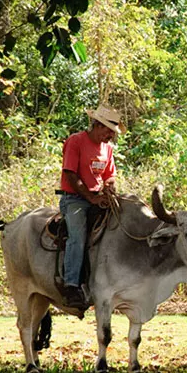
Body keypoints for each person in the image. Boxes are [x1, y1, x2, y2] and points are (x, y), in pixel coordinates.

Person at [58, 104, 124, 307]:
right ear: (96, 125)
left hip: (98, 197)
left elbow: (109, 174)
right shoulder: (76, 141)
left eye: (113, 132)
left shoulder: (108, 149)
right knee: (77, 236)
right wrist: (91, 198)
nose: (111, 136)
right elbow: (70, 173)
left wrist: (109, 187)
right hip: (74, 199)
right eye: (108, 131)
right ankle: (71, 285)